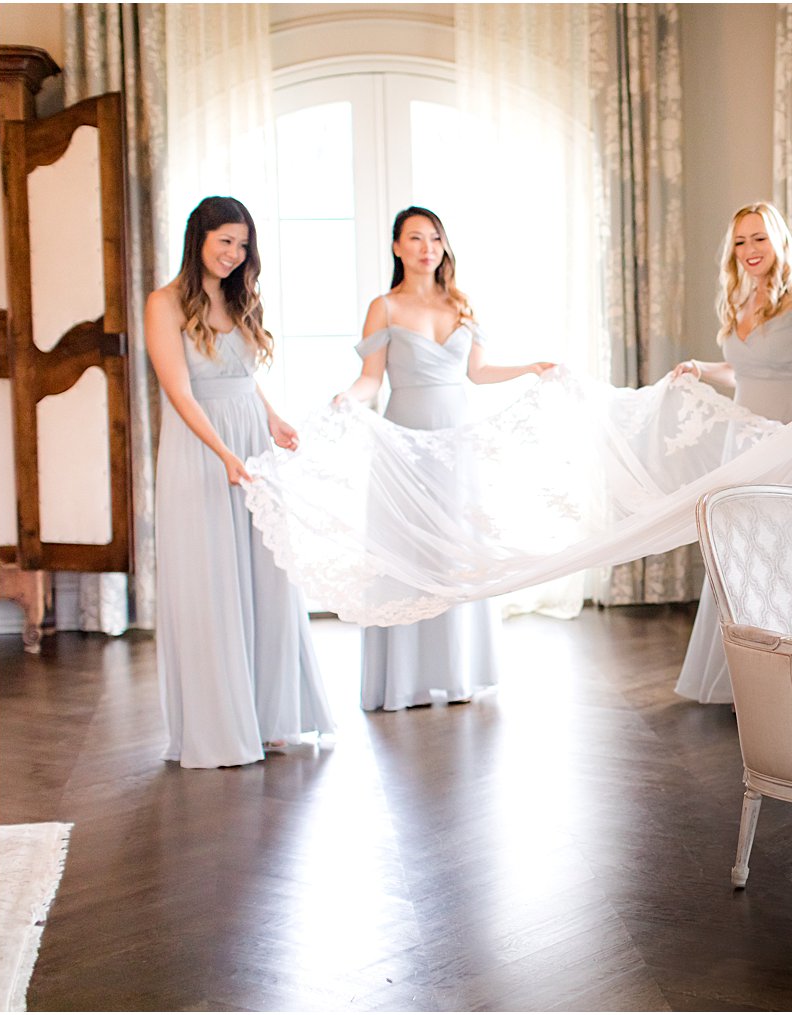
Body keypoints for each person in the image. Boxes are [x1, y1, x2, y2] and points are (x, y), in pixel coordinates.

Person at [338, 206, 554, 711]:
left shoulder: (460, 303)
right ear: (397, 247)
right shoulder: (384, 307)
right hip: (405, 440)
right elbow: (370, 379)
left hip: (457, 443)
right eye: (415, 238)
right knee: (407, 552)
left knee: (455, 548)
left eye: (434, 238)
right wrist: (344, 400)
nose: (426, 247)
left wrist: (530, 368)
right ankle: (404, 680)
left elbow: (477, 373)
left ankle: (458, 674)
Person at [148, 195, 335, 769]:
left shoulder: (238, 299)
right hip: (201, 449)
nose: (234, 253)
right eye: (225, 240)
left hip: (251, 444)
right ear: (198, 238)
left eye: (243, 244)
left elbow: (239, 373)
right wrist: (224, 453)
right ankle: (220, 729)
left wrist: (272, 416)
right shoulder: (165, 303)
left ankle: (270, 717)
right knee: (213, 583)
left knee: (266, 577)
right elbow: (180, 390)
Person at [670, 201, 792, 705]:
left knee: (782, 552)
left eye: (759, 239)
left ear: (778, 241)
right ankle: (743, 678)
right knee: (738, 554)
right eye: (741, 241)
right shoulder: (740, 296)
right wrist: (703, 368)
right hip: (740, 445)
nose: (749, 250)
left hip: (787, 437)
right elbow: (744, 371)